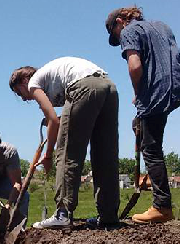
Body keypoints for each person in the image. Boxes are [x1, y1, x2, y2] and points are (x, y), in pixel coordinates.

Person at [105, 7, 180, 223]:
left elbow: (134, 66)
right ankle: (152, 181)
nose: (119, 38)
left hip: (157, 89)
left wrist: (138, 94)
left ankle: (162, 206)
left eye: (116, 33)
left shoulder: (129, 30)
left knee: (150, 147)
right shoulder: (161, 26)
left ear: (120, 22)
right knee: (149, 137)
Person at [9, 56, 120, 229]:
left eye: (19, 92)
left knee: (67, 152)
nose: (23, 99)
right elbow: (62, 119)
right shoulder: (52, 78)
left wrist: (48, 155)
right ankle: (108, 215)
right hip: (108, 86)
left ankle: (62, 213)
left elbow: (53, 122)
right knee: (105, 154)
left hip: (83, 86)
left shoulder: (34, 83)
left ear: (24, 80)